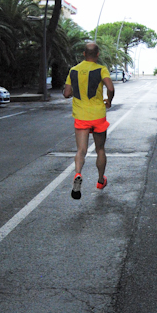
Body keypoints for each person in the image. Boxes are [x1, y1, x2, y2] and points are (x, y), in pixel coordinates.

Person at [63, 42, 115, 200]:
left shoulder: (73, 70)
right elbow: (110, 88)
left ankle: (78, 173)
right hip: (98, 115)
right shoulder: (101, 69)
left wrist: (75, 93)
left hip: (81, 116)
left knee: (81, 150)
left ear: (84, 54)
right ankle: (100, 180)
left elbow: (66, 93)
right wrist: (109, 100)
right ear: (97, 54)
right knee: (100, 149)